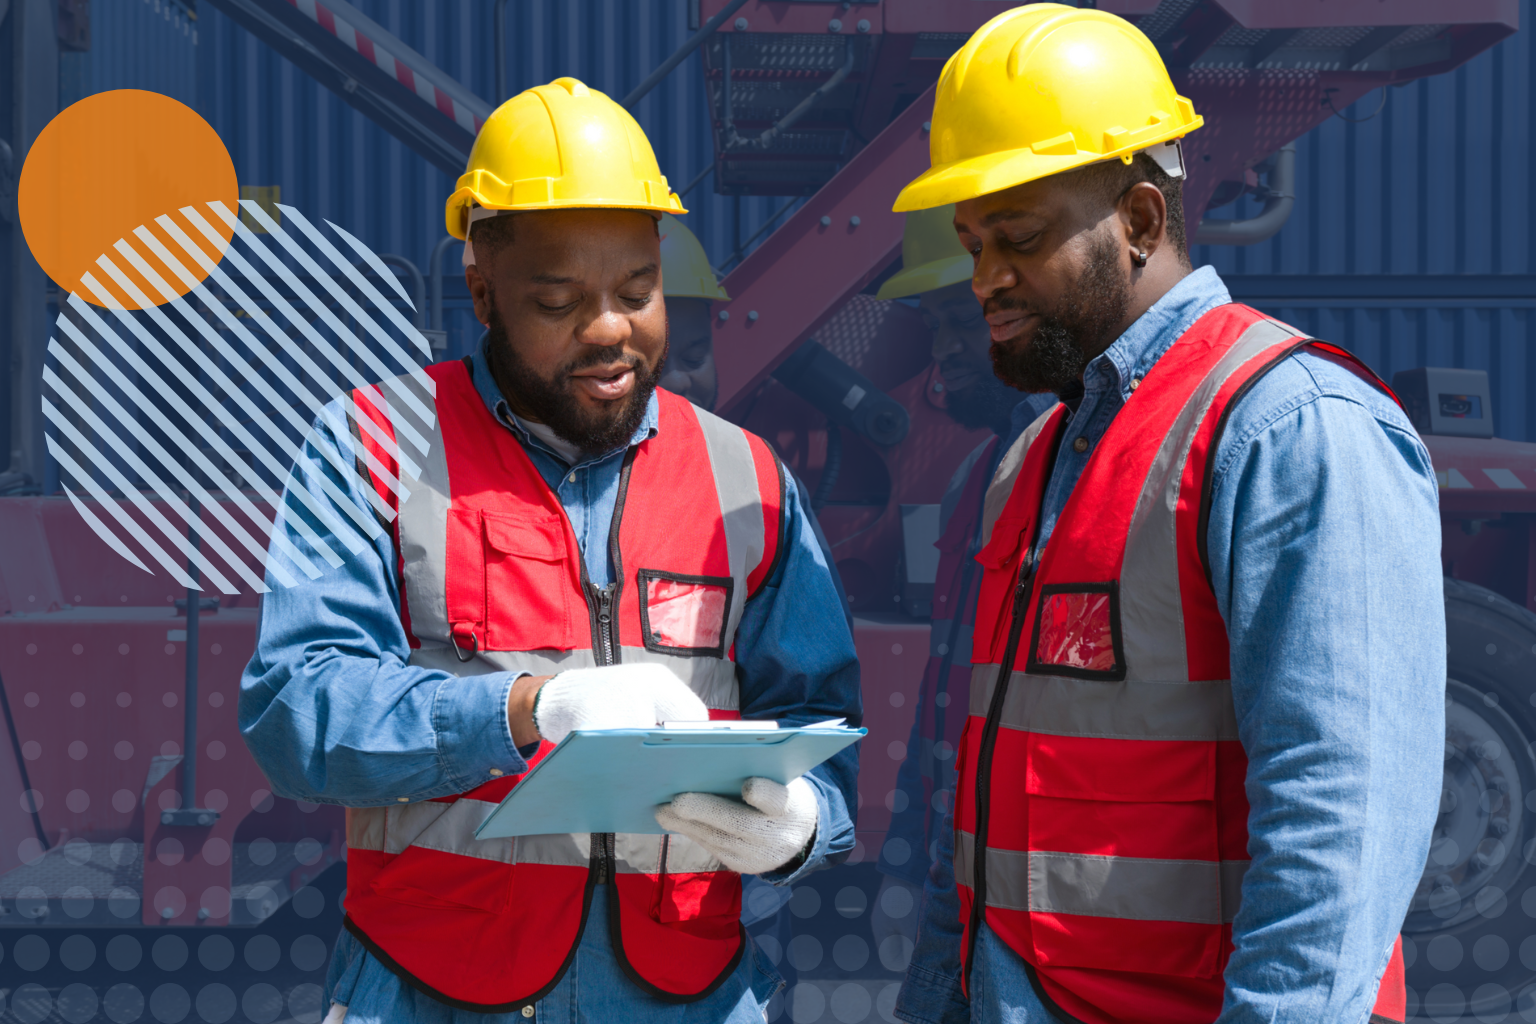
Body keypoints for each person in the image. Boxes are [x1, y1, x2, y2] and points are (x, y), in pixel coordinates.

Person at [240, 77, 861, 1023]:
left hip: (690, 991)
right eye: (559, 299)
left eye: (638, 291)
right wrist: (532, 709)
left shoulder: (749, 479)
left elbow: (817, 720)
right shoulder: (376, 447)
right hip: (432, 988)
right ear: (482, 291)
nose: (609, 328)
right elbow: (298, 713)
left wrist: (803, 825)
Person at [890, 8, 1443, 1024]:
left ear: (1141, 219)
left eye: (1015, 241)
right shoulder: (1033, 460)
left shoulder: (1291, 433)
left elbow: (1339, 829)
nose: (982, 282)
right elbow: (983, 806)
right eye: (972, 245)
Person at [871, 205, 1055, 951]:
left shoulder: (1081, 471)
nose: (942, 350)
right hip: (963, 870)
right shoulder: (979, 477)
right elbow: (944, 691)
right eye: (935, 326)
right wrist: (906, 862)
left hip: (1034, 883)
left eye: (962, 321)